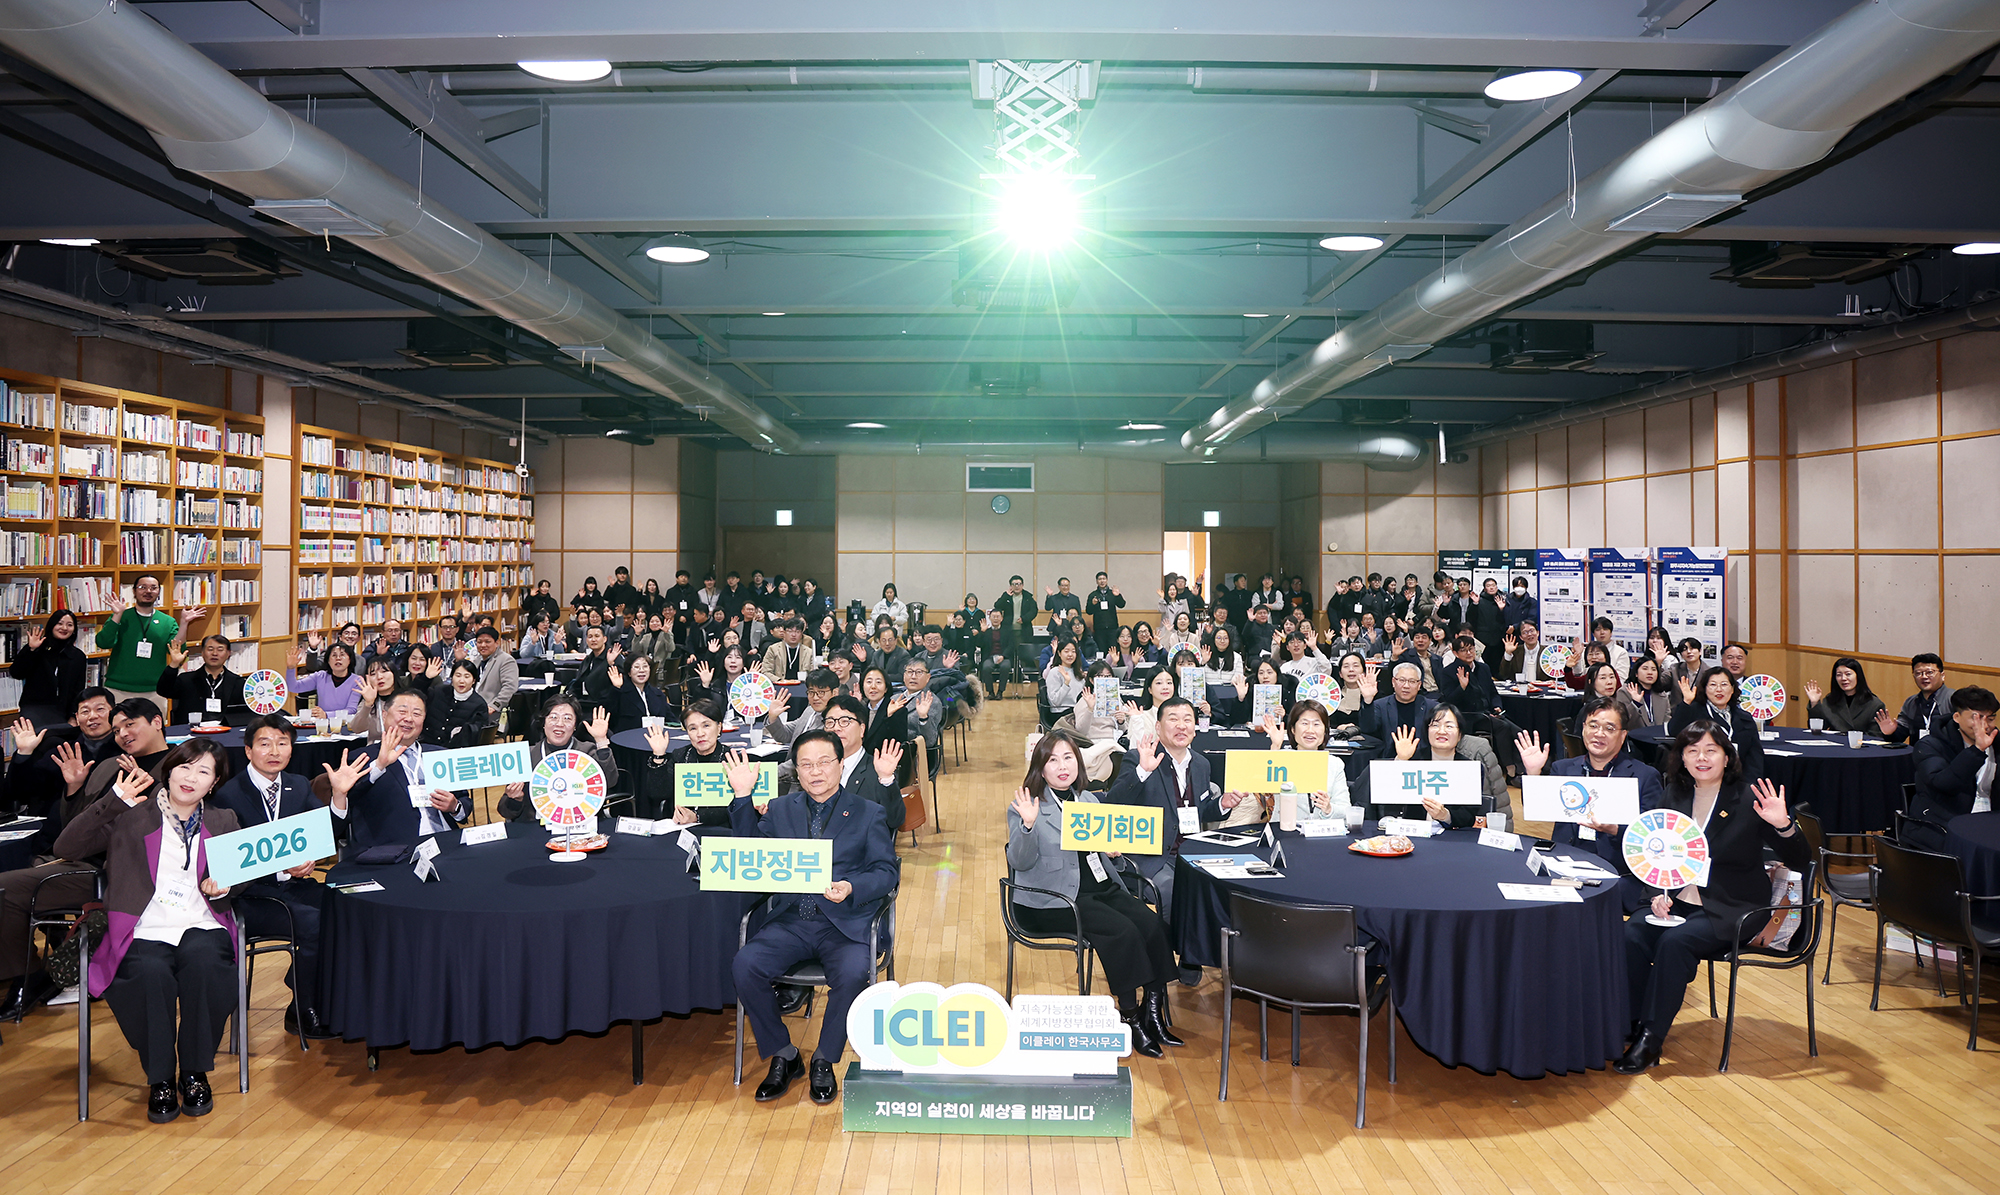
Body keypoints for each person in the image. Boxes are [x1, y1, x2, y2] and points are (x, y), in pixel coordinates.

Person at [52, 739, 242, 1123]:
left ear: (215, 782)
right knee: (149, 974)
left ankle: (193, 1071)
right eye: (184, 767)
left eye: (204, 771)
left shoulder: (224, 821)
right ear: (168, 770)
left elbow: (239, 875)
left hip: (200, 921)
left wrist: (226, 884)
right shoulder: (130, 815)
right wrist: (113, 799)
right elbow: (66, 845)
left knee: (207, 963)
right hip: (142, 927)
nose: (191, 778)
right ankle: (160, 1078)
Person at [1616, 724, 1808, 1074]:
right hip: (1675, 899)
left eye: (1710, 750)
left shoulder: (1750, 798)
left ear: (1726, 755)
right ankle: (1628, 1024)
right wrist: (1656, 896)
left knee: (1675, 943)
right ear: (1682, 758)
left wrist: (1783, 825)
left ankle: (1651, 1038)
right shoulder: (1674, 794)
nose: (1701, 758)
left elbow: (1800, 860)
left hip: (1733, 905)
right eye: (1692, 751)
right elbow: (1654, 853)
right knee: (1632, 934)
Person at [729, 730, 898, 1105]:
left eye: (824, 762)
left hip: (846, 922)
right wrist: (743, 797)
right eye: (806, 765)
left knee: (854, 972)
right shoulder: (780, 808)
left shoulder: (869, 812)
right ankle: (784, 1055)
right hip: (792, 919)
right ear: (797, 771)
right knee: (746, 965)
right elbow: (746, 856)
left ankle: (825, 1058)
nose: (815, 772)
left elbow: (886, 871)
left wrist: (852, 886)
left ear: (841, 764)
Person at [1009, 732, 1181, 1057]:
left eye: (1069, 758)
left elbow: (1096, 847)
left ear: (1079, 762)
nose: (1062, 766)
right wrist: (1028, 826)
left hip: (1100, 887)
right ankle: (1130, 1019)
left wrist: (1110, 850)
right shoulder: (1029, 804)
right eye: (1053, 760)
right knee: (1123, 932)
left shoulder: (1088, 800)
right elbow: (1019, 861)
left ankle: (1153, 1011)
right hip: (1054, 899)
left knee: (1152, 923)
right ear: (1040, 768)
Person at [210, 714, 332, 1039]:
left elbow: (320, 833)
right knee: (313, 923)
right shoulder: (227, 796)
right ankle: (302, 1009)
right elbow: (226, 864)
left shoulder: (299, 785)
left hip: (292, 887)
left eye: (282, 743)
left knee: (345, 907)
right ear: (248, 750)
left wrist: (310, 858)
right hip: (247, 896)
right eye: (264, 744)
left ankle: (315, 990)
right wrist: (282, 866)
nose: (274, 751)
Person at [1517, 696, 1665, 875]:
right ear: (1583, 729)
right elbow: (1538, 809)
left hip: (1616, 870)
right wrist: (1533, 773)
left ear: (1623, 735)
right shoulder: (1563, 768)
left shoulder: (1644, 776)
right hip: (1565, 862)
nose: (1599, 733)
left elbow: (1654, 835)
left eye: (1609, 728)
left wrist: (1615, 829)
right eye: (1593, 726)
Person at [324, 690, 473, 849]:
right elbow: (347, 804)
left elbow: (464, 802)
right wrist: (379, 766)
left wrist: (454, 807)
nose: (409, 719)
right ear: (384, 714)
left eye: (417, 714)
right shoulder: (362, 758)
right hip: (395, 851)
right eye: (402, 711)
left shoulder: (440, 755)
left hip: (446, 843)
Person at [1372, 704, 1506, 829]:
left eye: (1449, 726)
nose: (1441, 731)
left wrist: (1445, 815)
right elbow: (1388, 795)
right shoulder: (1414, 759)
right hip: (1413, 834)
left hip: (1451, 838)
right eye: (1435, 725)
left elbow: (1468, 817)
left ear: (1460, 735)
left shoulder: (1468, 768)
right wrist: (1401, 760)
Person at [496, 697, 621, 822]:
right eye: (553, 717)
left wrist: (601, 741)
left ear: (575, 726)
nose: (560, 724)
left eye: (567, 718)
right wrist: (515, 799)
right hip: (536, 827)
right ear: (543, 723)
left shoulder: (586, 752)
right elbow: (505, 812)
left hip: (579, 826)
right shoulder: (526, 756)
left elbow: (609, 781)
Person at [1906, 687, 1999, 849]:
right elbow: (1945, 784)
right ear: (1957, 717)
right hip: (1943, 825)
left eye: (1990, 718)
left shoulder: (1997, 743)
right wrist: (1976, 750)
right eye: (1976, 718)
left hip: (1990, 820)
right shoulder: (1929, 745)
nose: (1984, 725)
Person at [96, 575, 193, 706]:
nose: (148, 591)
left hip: (155, 690)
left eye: (153, 588)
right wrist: (117, 615)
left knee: (154, 726)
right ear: (134, 591)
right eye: (143, 587)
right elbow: (103, 643)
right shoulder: (122, 616)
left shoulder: (167, 621)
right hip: (117, 688)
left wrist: (184, 624)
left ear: (159, 592)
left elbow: (178, 651)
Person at [1262, 700, 1360, 823]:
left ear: (1325, 731)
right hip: (1287, 830)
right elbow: (1265, 784)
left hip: (1322, 833)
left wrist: (1329, 809)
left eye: (1316, 724)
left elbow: (1345, 809)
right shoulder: (1282, 758)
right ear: (1293, 729)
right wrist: (1275, 747)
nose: (1310, 730)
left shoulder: (1334, 764)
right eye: (1304, 723)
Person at [820, 694, 907, 832]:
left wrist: (886, 779)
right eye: (830, 722)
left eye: (844, 721)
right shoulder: (817, 768)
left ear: (862, 729)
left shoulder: (877, 769)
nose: (836, 728)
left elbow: (895, 819)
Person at [1667, 666, 1766, 781]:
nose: (1719, 689)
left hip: (1738, 780)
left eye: (1724, 684)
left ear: (1733, 689)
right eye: (1713, 685)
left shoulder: (1745, 718)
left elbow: (1754, 756)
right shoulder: (1694, 712)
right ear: (1704, 689)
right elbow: (1673, 730)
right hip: (1701, 779)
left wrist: (1751, 785)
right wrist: (1686, 702)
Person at [9, 609, 87, 725]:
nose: (64, 628)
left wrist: (73, 715)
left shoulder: (78, 656)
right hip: (34, 708)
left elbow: (78, 689)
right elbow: (16, 673)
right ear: (52, 625)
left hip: (63, 711)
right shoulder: (38, 648)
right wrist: (31, 650)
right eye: (59, 623)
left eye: (69, 625)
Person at [153, 635, 251, 727]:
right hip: (191, 733)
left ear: (228, 654)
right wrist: (174, 664)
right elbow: (163, 690)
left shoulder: (238, 683)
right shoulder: (186, 679)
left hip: (225, 732)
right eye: (210, 649)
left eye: (220, 649)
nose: (214, 653)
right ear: (203, 653)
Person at [1877, 653, 1955, 744]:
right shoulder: (1911, 702)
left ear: (1942, 675)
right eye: (1918, 673)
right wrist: (1890, 732)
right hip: (1917, 754)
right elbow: (1899, 737)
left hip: (1946, 755)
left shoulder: (1953, 698)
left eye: (1929, 672)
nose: (1924, 677)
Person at [1360, 662, 1438, 744]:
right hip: (1390, 755)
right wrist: (1368, 700)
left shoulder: (1432, 707)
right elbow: (1367, 729)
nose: (1406, 686)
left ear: (1419, 685)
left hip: (1421, 756)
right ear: (1393, 682)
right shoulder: (1380, 706)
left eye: (1412, 681)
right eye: (1402, 680)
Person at [422, 659, 490, 748]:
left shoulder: (479, 705)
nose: (461, 681)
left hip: (454, 751)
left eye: (467, 676)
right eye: (458, 675)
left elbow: (478, 735)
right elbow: (415, 696)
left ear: (473, 681)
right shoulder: (438, 691)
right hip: (427, 744)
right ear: (452, 677)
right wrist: (425, 679)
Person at [286, 642, 363, 718]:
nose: (338, 658)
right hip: (322, 724)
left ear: (350, 660)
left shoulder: (357, 681)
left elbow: (351, 710)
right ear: (328, 660)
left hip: (345, 724)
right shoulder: (320, 676)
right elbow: (294, 687)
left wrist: (326, 715)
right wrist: (291, 668)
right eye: (334, 655)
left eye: (342, 655)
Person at [605, 651, 670, 734]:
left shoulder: (658, 694)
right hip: (629, 739)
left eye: (645, 666)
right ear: (629, 673)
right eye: (636, 667)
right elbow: (609, 715)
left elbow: (670, 720)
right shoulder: (620, 693)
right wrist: (616, 688)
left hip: (656, 738)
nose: (641, 670)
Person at [469, 627, 520, 722]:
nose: (483, 645)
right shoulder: (477, 661)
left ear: (497, 643)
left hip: (493, 711)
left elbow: (510, 687)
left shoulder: (506, 660)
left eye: (487, 642)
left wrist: (494, 706)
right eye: (479, 642)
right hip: (474, 707)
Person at [1201, 626, 1248, 725]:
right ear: (1213, 640)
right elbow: (1198, 678)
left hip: (1228, 694)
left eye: (1225, 638)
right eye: (1218, 638)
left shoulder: (1236, 657)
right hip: (1209, 694)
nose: (1222, 641)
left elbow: (1238, 677)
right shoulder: (1206, 655)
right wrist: (1202, 663)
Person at [1084, 572, 1126, 653]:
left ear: (1107, 580)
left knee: (1113, 650)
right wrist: (1092, 604)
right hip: (1099, 629)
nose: (1102, 581)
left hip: (1113, 628)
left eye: (1103, 579)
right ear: (1096, 581)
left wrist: (1118, 596)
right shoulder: (1093, 595)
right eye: (1100, 579)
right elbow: (1088, 611)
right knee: (1101, 650)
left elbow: (1122, 605)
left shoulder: (1112, 593)